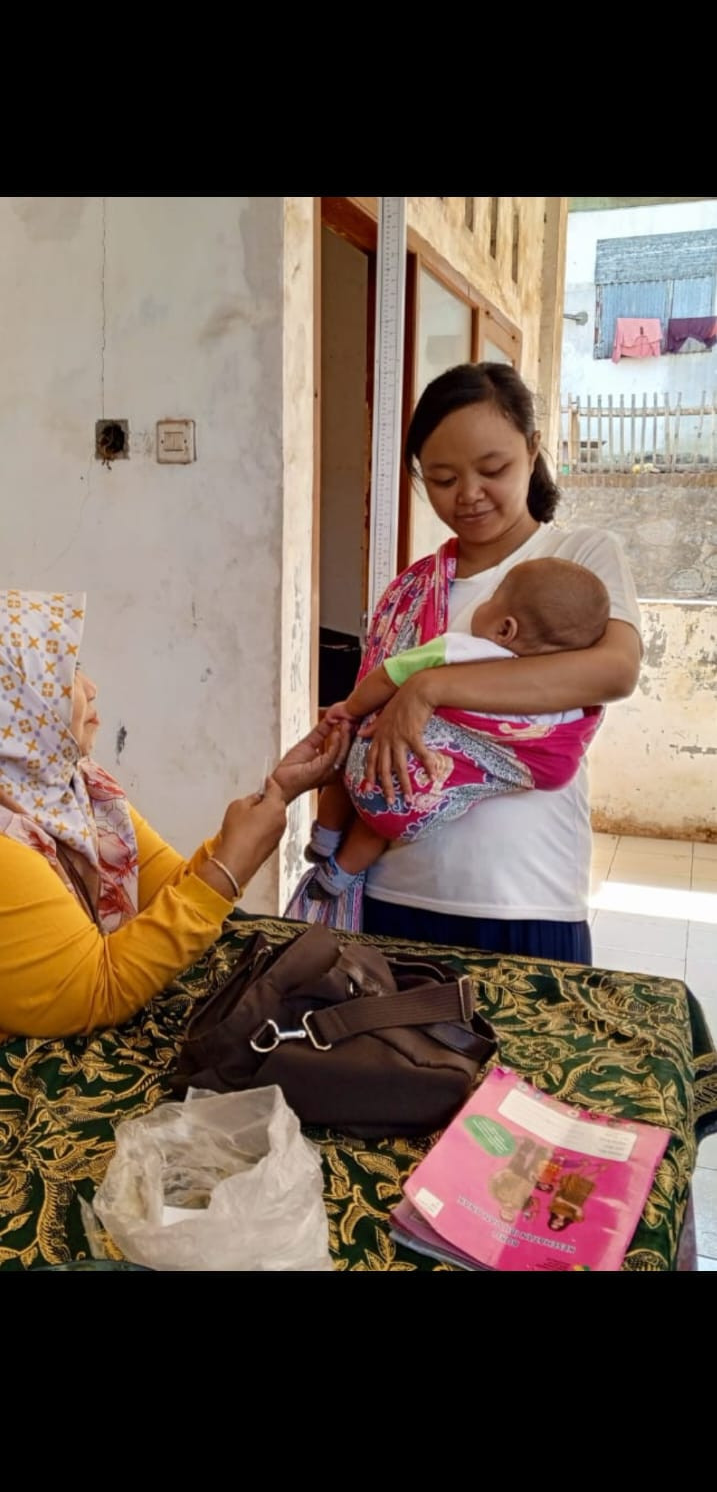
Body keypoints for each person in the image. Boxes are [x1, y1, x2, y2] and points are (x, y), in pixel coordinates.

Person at [288, 362, 642, 962]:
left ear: (532, 451)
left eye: (493, 469)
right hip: (396, 892)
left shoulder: (577, 558)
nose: (469, 495)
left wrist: (428, 688)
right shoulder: (411, 591)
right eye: (444, 478)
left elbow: (613, 670)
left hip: (524, 898)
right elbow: (371, 719)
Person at [0, 588, 347, 1041]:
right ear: (18, 707)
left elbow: (164, 892)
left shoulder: (77, 788)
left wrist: (277, 793)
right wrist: (230, 868)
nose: (90, 687)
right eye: (65, 673)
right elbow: (91, 994)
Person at [304, 557, 609, 899]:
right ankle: (338, 875)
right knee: (380, 826)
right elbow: (556, 764)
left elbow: (391, 673)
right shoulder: (560, 703)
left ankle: (324, 836)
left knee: (353, 752)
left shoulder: (463, 649)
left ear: (505, 629)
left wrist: (350, 708)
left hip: (380, 763)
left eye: (492, 599)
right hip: (423, 807)